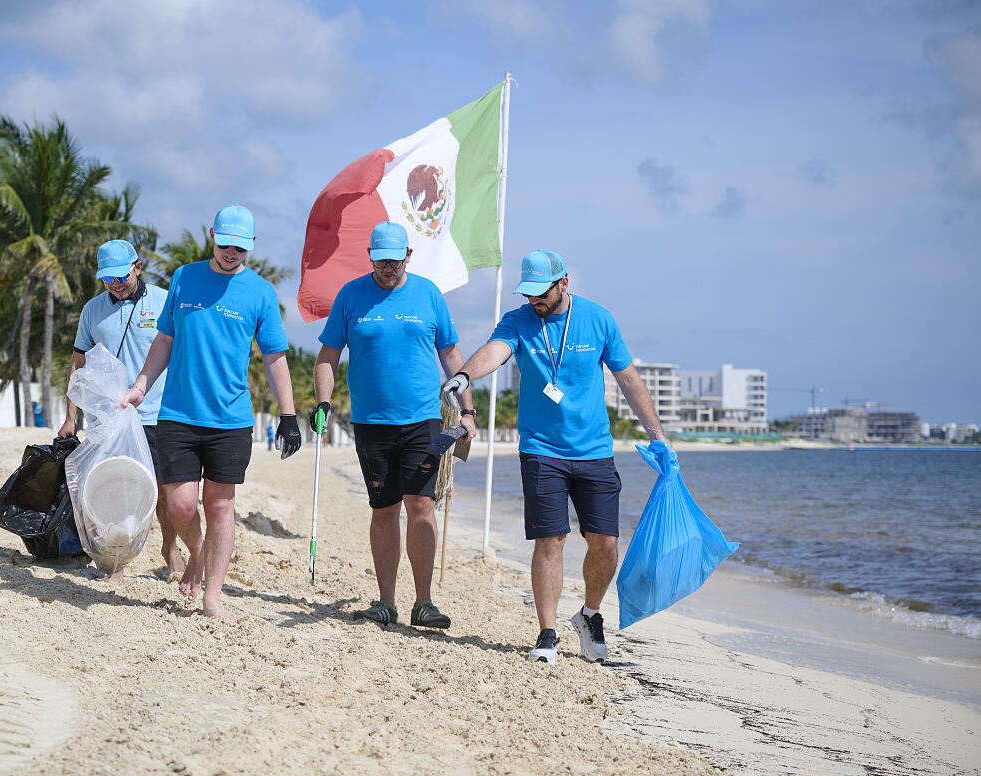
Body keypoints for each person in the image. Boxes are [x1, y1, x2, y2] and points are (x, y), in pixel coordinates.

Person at [444, 249, 668, 664]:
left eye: (540, 293)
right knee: (551, 539)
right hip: (540, 450)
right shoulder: (518, 321)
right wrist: (463, 376)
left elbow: (629, 378)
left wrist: (658, 436)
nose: (534, 301)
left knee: (605, 542)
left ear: (563, 284)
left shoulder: (598, 320)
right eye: (527, 293)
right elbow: (495, 350)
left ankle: (589, 614)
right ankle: (547, 633)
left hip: (595, 451)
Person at [123, 205, 301, 623]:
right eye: (224, 245)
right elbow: (164, 340)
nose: (231, 253)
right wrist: (140, 386)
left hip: (231, 420)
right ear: (211, 236)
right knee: (181, 504)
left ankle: (213, 598)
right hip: (179, 413)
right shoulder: (184, 277)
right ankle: (199, 554)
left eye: (240, 247)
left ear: (252, 245)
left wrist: (289, 416)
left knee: (220, 505)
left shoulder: (260, 293)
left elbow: (275, 359)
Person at [314, 221, 474, 629]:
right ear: (370, 256)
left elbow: (452, 357)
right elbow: (327, 356)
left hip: (424, 420)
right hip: (371, 424)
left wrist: (468, 412)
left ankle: (424, 602)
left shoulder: (428, 294)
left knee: (421, 505)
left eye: (395, 259)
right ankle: (386, 601)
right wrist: (322, 402)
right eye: (381, 260)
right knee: (383, 509)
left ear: (408, 255)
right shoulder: (351, 296)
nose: (389, 267)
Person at [57, 239, 181, 580]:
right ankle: (115, 563)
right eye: (107, 278)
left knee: (163, 493)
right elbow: (78, 364)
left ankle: (169, 549)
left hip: (156, 414)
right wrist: (71, 418)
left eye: (121, 276)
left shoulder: (163, 301)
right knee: (111, 491)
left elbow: (181, 353)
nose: (114, 284)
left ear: (137, 267)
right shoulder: (92, 311)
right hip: (107, 420)